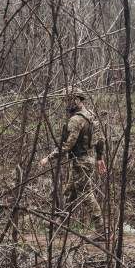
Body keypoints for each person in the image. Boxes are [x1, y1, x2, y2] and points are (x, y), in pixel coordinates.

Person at [39, 89, 107, 225]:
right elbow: (101, 140)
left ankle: (101, 229)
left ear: (77, 100)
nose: (67, 103)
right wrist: (99, 158)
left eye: (69, 100)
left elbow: (67, 145)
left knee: (86, 194)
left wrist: (49, 157)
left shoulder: (76, 120)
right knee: (71, 191)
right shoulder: (91, 116)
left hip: (80, 162)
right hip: (86, 159)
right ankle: (62, 220)